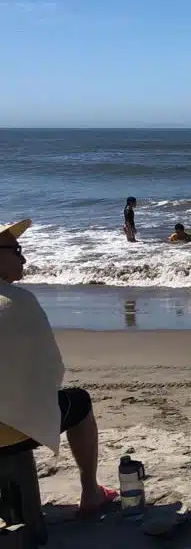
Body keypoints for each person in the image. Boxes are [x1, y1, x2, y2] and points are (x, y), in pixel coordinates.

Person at [0, 219, 117, 515]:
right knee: (79, 402)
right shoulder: (19, 302)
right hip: (9, 433)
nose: (23, 257)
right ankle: (90, 493)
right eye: (15, 250)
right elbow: (52, 373)